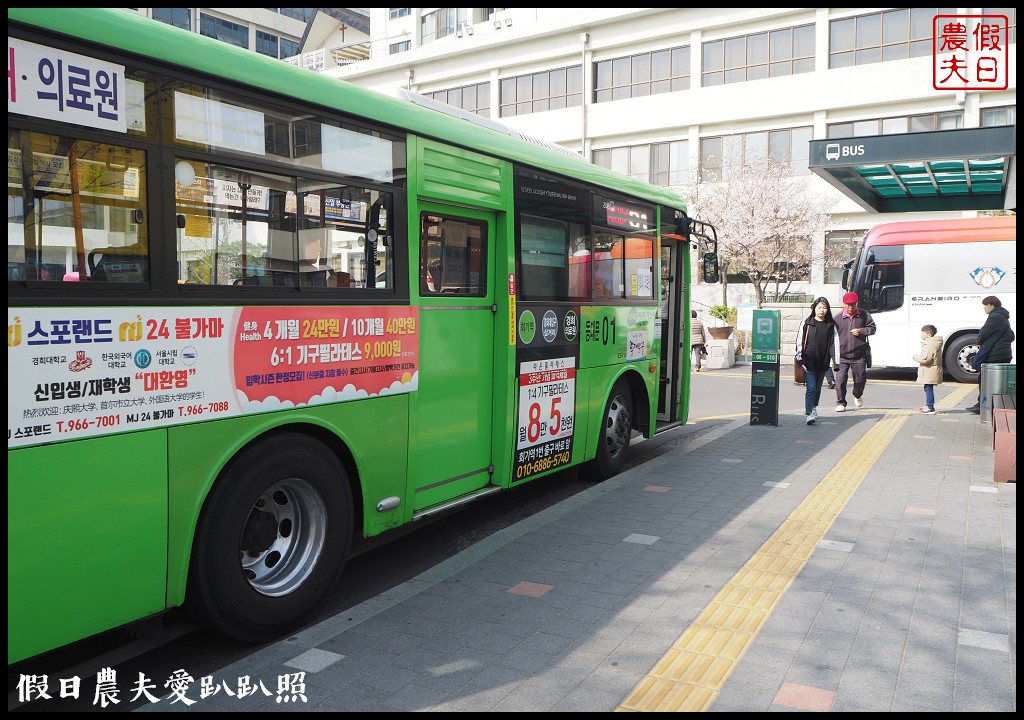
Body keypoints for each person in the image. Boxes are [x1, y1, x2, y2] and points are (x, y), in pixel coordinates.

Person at [965, 295, 1015, 414]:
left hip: (995, 354)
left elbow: (984, 333)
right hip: (1004, 353)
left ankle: (983, 405)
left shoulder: (994, 317)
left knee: (985, 378)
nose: (984, 308)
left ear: (992, 305)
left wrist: (979, 341)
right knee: (996, 380)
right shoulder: (1004, 318)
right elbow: (1012, 336)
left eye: (985, 305)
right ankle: (989, 405)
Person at [795, 297, 837, 425]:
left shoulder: (831, 325)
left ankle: (814, 407)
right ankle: (808, 414)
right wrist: (800, 358)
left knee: (818, 388)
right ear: (814, 308)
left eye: (824, 308)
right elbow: (799, 342)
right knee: (811, 388)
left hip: (823, 362)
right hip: (809, 362)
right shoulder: (807, 323)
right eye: (819, 307)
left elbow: (834, 344)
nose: (822, 310)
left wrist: (835, 361)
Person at [833, 291, 876, 412]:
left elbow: (873, 328)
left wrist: (862, 331)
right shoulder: (837, 318)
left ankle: (857, 394)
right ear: (844, 304)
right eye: (848, 305)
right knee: (840, 380)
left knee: (860, 379)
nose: (850, 307)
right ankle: (841, 403)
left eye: (853, 304)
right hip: (842, 356)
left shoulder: (864, 315)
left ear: (856, 303)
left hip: (859, 355)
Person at [912, 324, 943, 414]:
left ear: (928, 335)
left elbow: (925, 359)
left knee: (928, 388)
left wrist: (915, 357)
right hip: (932, 371)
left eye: (923, 333)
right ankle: (929, 405)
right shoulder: (934, 344)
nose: (921, 335)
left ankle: (930, 407)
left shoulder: (929, 345)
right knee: (928, 388)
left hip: (929, 371)